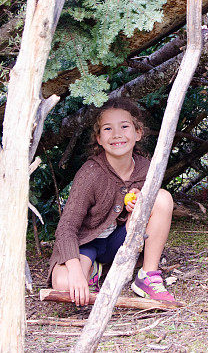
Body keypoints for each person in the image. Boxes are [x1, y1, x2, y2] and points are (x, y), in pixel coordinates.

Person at [48, 98, 175, 305]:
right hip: (86, 244)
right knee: (64, 283)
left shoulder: (146, 168)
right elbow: (66, 228)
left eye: (124, 126)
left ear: (138, 133)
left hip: (120, 239)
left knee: (162, 197)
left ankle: (147, 276)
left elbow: (151, 211)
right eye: (108, 129)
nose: (117, 134)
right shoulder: (90, 174)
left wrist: (136, 203)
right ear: (98, 138)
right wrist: (75, 270)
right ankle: (93, 270)